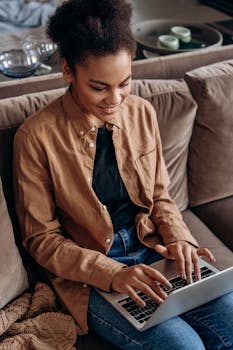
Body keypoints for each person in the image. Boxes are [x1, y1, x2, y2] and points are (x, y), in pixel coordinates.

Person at [13, 0, 233, 349]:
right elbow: (41, 239)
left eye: (125, 83)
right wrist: (112, 274)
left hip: (153, 252)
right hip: (93, 274)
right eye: (99, 87)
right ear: (68, 71)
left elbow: (161, 197)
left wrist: (180, 240)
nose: (114, 99)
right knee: (184, 346)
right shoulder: (35, 137)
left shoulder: (142, 113)